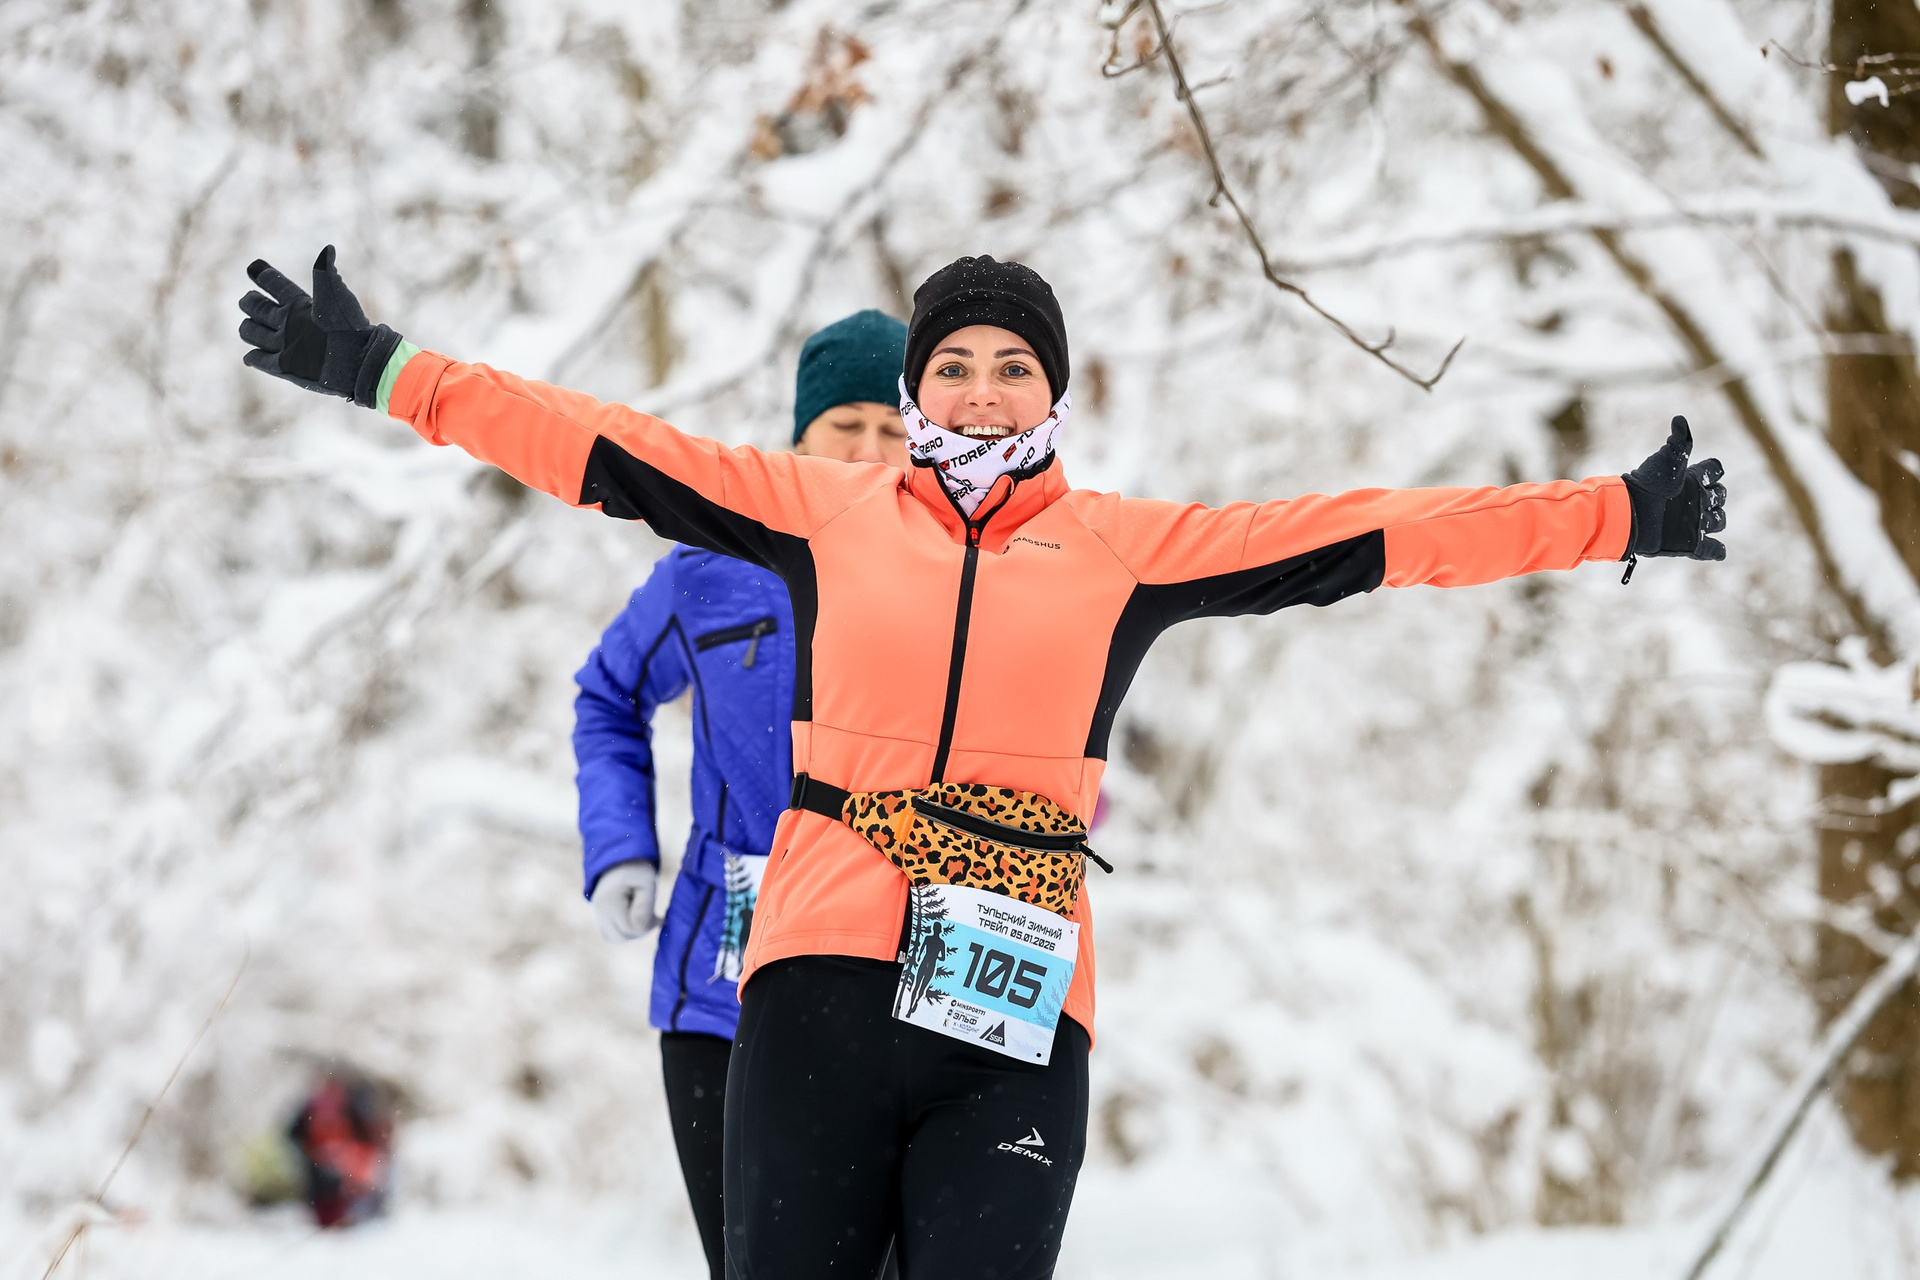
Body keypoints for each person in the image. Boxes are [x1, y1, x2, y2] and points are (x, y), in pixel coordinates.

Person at [238, 248, 1729, 1280]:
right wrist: (386, 369)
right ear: (917, 389)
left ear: (1053, 394)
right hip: (813, 999)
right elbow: (594, 444)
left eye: (1014, 366)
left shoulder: (1126, 552)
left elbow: (1375, 532)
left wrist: (1613, 514)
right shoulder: (821, 513)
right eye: (951, 364)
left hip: (1010, 1015)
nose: (980, 389)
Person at [572, 311, 908, 1280]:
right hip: (726, 993)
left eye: (892, 428)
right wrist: (620, 847)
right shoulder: (712, 568)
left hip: (897, 992)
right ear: (800, 433)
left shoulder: (960, 580)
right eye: (846, 424)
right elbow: (607, 695)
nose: (869, 449)